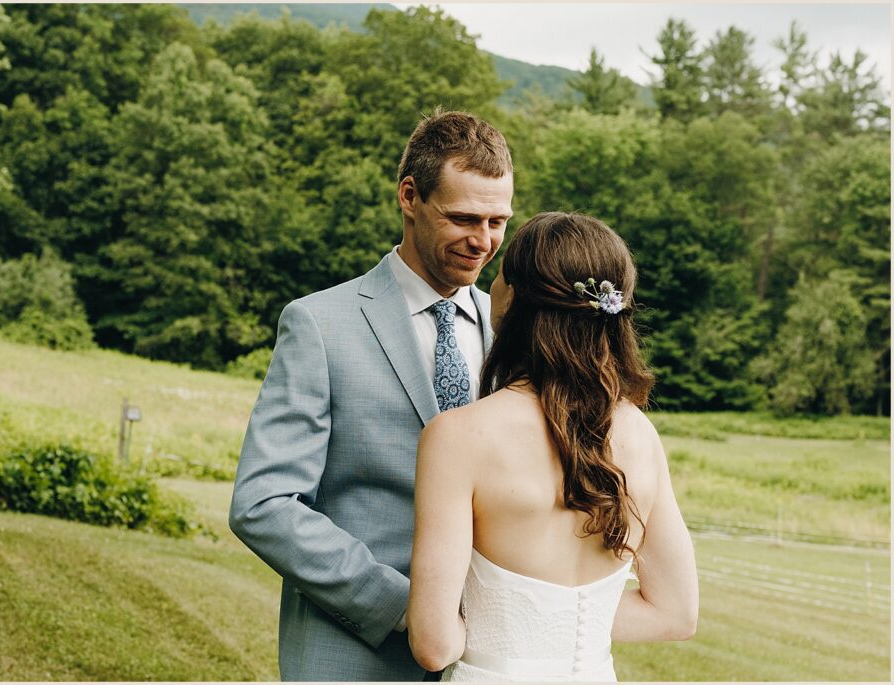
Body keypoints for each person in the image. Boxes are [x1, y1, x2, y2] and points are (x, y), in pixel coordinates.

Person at [228, 108, 514, 681]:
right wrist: (403, 609)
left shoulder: (514, 331)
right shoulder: (318, 324)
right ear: (409, 196)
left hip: (488, 661)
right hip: (352, 658)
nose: (482, 242)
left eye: (497, 221)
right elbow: (264, 505)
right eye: (463, 218)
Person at [407, 212, 699, 682]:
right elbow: (675, 613)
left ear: (515, 298)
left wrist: (507, 625)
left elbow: (433, 643)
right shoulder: (639, 435)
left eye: (499, 275)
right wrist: (569, 629)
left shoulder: (459, 437)